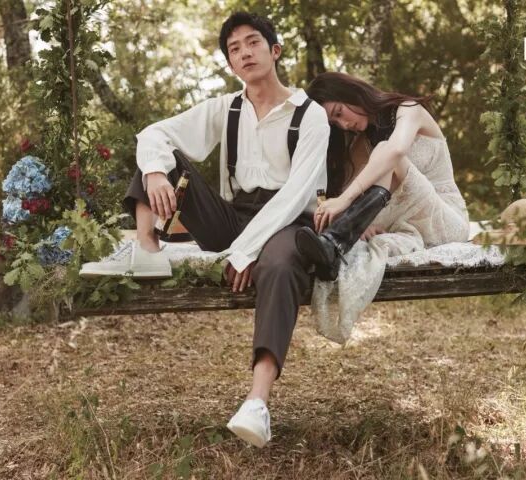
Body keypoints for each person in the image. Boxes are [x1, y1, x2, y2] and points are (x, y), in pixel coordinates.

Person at [80, 12, 330, 448]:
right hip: (233, 219)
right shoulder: (225, 108)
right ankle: (147, 249)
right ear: (231, 64)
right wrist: (155, 174)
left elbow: (295, 196)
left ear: (274, 50)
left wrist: (247, 251)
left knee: (279, 266)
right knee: (159, 154)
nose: (245, 52)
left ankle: (257, 403)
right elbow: (153, 134)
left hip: (288, 222)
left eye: (253, 42)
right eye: (234, 49)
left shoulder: (311, 116)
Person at [295, 72, 469, 279]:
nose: (343, 125)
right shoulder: (361, 143)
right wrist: (362, 225)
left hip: (445, 220)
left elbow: (396, 151)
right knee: (357, 223)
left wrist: (345, 200)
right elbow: (348, 191)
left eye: (339, 112)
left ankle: (335, 241)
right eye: (335, 122)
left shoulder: (409, 110)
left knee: (385, 151)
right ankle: (333, 245)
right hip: (406, 228)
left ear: (351, 93)